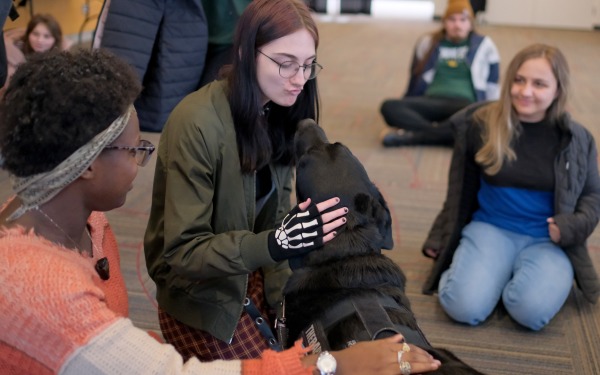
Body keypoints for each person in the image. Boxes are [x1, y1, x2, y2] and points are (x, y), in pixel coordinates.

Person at [0, 48, 441, 375]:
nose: (142, 159)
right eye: (134, 149)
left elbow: (112, 341)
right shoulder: (44, 289)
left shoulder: (89, 223)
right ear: (88, 164)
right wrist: (332, 364)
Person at [421, 43, 600, 331]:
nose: (525, 91)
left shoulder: (577, 138)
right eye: (519, 80)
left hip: (549, 240)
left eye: (539, 84)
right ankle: (488, 273)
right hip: (490, 228)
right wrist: (440, 238)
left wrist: (570, 227)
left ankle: (506, 277)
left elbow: (592, 196)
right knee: (462, 306)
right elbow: (458, 193)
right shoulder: (480, 124)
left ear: (558, 89)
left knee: (530, 313)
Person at [379, 0, 500, 147]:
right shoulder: (427, 42)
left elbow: (492, 83)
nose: (457, 25)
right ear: (444, 22)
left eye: (463, 20)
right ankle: (445, 134)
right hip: (430, 100)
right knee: (389, 107)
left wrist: (493, 113)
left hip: (465, 104)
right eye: (452, 19)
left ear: (471, 22)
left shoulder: (485, 45)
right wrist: (407, 101)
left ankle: (414, 137)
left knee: (479, 118)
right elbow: (414, 76)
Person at [2, 13, 69, 88]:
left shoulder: (63, 60)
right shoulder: (13, 57)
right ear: (28, 34)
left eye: (46, 36)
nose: (40, 40)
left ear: (55, 39)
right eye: (35, 34)